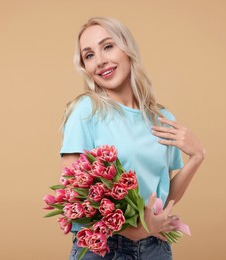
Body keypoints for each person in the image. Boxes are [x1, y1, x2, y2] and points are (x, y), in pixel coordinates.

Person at [60, 17, 205, 260]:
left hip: (154, 248)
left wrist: (197, 157)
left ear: (127, 48)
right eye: (89, 55)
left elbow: (164, 197)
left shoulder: (161, 118)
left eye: (108, 46)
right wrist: (132, 230)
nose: (101, 61)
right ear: (84, 67)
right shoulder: (86, 111)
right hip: (103, 248)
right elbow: (72, 192)